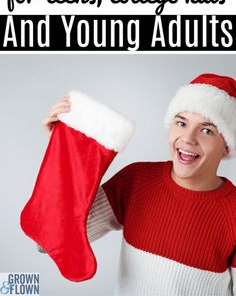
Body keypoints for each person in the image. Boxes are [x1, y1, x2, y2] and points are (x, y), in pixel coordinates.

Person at [43, 73, 236, 296]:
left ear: (227, 146)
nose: (188, 138)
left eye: (207, 130)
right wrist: (64, 153)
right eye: (181, 122)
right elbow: (55, 239)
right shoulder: (137, 180)